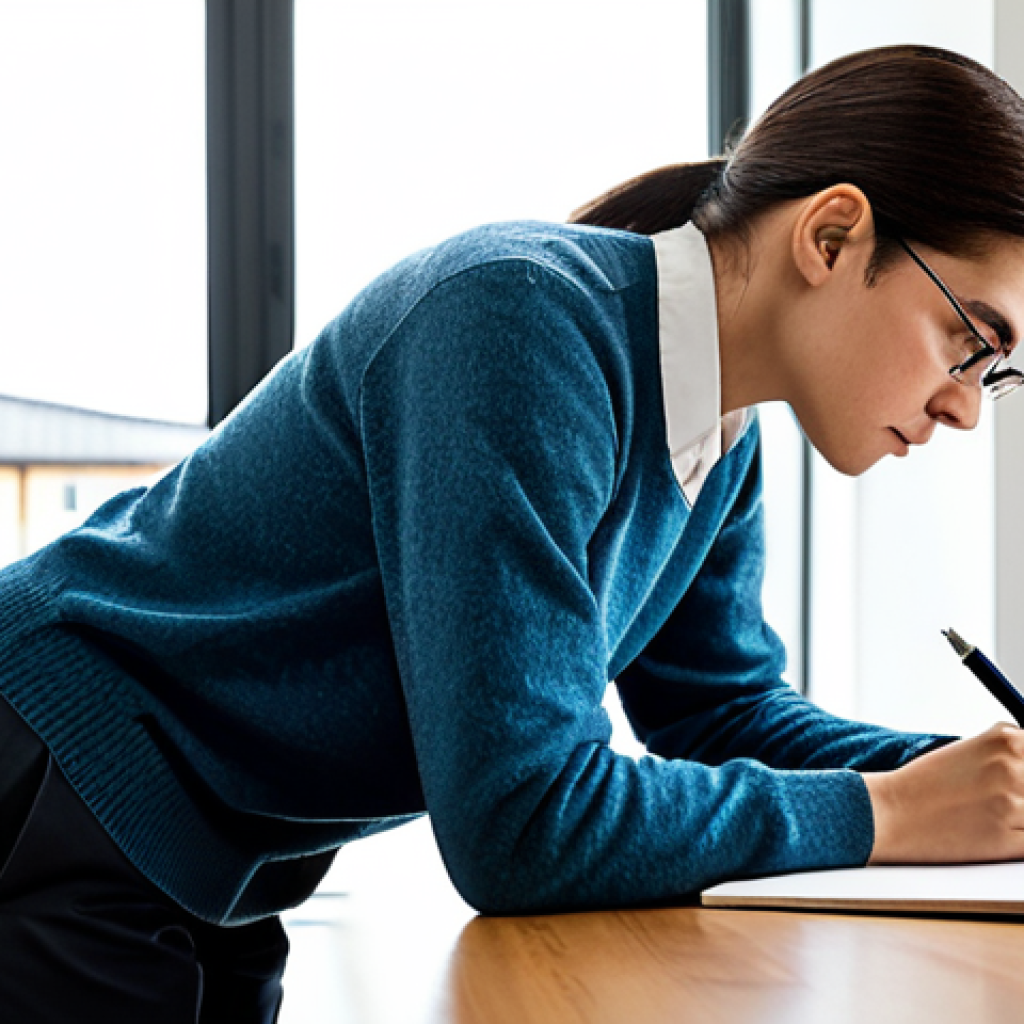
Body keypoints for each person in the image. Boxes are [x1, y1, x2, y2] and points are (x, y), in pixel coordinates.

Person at [2, 42, 1024, 1023]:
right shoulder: (519, 319)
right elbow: (522, 821)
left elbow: (727, 718)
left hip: (212, 856)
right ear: (832, 235)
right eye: (968, 339)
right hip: (59, 775)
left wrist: (976, 785)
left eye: (995, 373)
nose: (965, 409)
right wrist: (889, 813)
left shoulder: (719, 443)